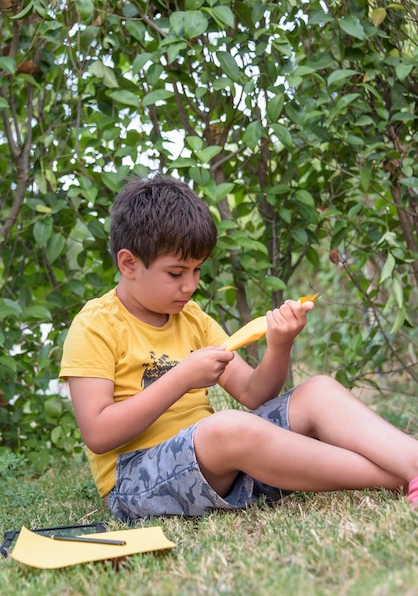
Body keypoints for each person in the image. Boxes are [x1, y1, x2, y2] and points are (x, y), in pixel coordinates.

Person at [60, 174, 418, 522]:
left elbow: (254, 393)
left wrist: (279, 346)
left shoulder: (193, 318)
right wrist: (182, 377)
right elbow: (99, 434)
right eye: (176, 273)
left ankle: (413, 463)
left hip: (223, 463)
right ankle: (397, 478)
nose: (190, 286)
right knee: (225, 428)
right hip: (136, 480)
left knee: (318, 390)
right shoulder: (96, 324)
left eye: (197, 270)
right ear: (129, 263)